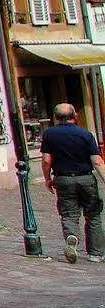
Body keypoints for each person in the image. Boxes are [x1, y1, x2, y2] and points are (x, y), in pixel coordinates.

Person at [40, 103, 105, 263]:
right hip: (85, 178)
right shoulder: (85, 134)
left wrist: (47, 178)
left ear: (55, 117)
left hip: (63, 179)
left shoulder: (49, 134)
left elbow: (47, 160)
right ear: (74, 115)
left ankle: (71, 236)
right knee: (93, 214)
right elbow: (97, 161)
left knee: (68, 213)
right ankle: (96, 253)